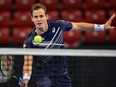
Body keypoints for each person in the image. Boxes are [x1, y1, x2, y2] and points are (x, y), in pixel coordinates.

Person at [19, 3, 115, 87]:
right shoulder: (30, 41)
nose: (39, 19)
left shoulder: (58, 26)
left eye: (41, 16)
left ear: (46, 16)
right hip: (44, 76)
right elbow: (27, 63)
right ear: (32, 18)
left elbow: (79, 25)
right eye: (36, 17)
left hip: (62, 75)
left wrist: (102, 27)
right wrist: (26, 80)